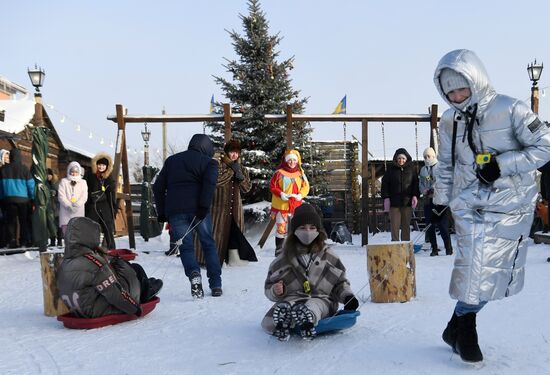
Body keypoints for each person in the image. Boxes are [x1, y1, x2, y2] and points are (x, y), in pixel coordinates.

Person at [433, 49, 550, 363]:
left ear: (476, 79)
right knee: (475, 269)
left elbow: (545, 145)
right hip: (469, 205)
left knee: (497, 276)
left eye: (461, 87)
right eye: (449, 90)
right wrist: (439, 201)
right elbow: (445, 164)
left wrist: (502, 165)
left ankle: (454, 324)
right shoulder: (448, 120)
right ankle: (466, 329)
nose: (456, 96)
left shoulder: (510, 109)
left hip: (511, 204)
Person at [262, 203, 359, 341]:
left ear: (318, 231)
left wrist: (347, 297)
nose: (307, 232)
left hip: (322, 299)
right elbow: (269, 286)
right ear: (294, 231)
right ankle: (285, 320)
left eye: (312, 228)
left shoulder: (329, 256)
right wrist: (275, 291)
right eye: (302, 228)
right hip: (293, 299)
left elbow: (340, 283)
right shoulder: (283, 260)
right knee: (288, 306)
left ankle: (307, 320)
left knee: (314, 305)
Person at [153, 134, 222, 298]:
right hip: (199, 211)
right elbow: (209, 185)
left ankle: (193, 275)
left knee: (185, 247)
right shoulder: (209, 163)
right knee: (208, 245)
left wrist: (162, 212)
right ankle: (216, 284)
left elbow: (157, 187)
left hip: (176, 212)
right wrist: (203, 207)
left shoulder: (172, 161)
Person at [56, 216, 162, 318]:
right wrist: (135, 308)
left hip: (79, 310)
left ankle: (145, 285)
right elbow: (114, 292)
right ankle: (145, 291)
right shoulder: (93, 263)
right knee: (132, 267)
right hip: (97, 310)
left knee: (119, 268)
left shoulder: (64, 263)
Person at [196, 138, 257, 266]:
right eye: (232, 152)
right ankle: (209, 260)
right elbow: (217, 182)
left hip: (235, 209)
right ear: (227, 152)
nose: (234, 155)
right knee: (216, 235)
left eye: (237, 152)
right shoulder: (217, 165)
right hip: (218, 209)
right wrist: (231, 170)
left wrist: (240, 177)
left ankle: (232, 260)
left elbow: (247, 188)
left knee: (235, 234)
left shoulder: (242, 169)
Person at [269, 149, 310, 254]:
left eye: (294, 160)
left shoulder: (300, 174)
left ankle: (296, 248)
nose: (292, 162)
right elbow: (272, 186)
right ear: (286, 161)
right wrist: (281, 194)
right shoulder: (278, 173)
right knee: (281, 228)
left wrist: (300, 195)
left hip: (296, 206)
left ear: (297, 161)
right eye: (290, 160)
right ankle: (279, 248)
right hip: (281, 206)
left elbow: (306, 187)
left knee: (297, 227)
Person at [418, 147, 453, 256]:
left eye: (428, 156)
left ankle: (448, 248)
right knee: (430, 225)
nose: (427, 158)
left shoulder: (440, 167)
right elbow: (421, 183)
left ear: (433, 156)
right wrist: (423, 190)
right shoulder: (423, 169)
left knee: (443, 225)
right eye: (425, 157)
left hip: (440, 201)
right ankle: (434, 248)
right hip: (428, 201)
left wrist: (433, 188)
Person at [381, 148, 419, 241]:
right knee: (394, 226)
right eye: (399, 158)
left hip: (407, 202)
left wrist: (415, 195)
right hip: (394, 203)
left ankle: (405, 245)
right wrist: (386, 197)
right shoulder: (391, 170)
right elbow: (385, 184)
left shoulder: (411, 170)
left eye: (403, 158)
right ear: (396, 159)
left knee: (406, 225)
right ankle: (395, 244)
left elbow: (415, 184)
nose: (401, 160)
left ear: (406, 159)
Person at [0, 148, 35, 248]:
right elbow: (31, 185)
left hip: (8, 199)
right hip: (23, 200)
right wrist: (32, 198)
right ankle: (23, 241)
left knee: (11, 221)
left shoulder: (3, 170)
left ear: (10, 157)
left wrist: (1, 198)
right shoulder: (24, 169)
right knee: (23, 221)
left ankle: (12, 240)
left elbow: (0, 186)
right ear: (20, 157)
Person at [85, 152, 117, 250]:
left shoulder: (109, 177)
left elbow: (111, 194)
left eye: (103, 165)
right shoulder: (90, 175)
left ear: (107, 166)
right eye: (99, 164)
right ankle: (91, 248)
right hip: (92, 205)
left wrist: (113, 209)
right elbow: (85, 188)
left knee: (107, 228)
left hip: (105, 205)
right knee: (92, 228)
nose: (101, 167)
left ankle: (111, 249)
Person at [58, 162, 88, 236]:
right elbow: (61, 196)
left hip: (78, 211)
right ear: (69, 171)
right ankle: (68, 247)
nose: (74, 174)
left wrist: (77, 204)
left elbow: (84, 196)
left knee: (77, 234)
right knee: (67, 233)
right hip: (66, 212)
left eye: (76, 172)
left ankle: (76, 247)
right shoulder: (64, 181)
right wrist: (68, 205)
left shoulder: (83, 182)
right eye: (72, 172)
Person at [46, 168, 63, 247]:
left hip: (57, 207)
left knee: (58, 225)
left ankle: (59, 241)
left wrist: (55, 194)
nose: (48, 176)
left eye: (49, 174)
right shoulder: (46, 183)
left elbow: (62, 195)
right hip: (49, 207)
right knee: (51, 224)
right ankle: (52, 241)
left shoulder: (57, 183)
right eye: (46, 175)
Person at [0, 149, 9, 248]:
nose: (7, 159)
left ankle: (5, 241)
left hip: (7, 197)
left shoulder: (10, 169)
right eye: (5, 157)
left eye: (8, 157)